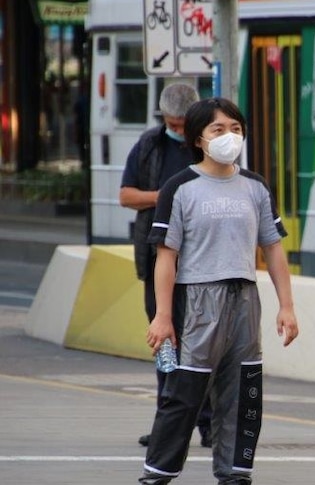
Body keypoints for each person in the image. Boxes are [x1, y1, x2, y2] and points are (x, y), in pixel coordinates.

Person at [138, 97, 299, 485]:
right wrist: (163, 316)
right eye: (218, 129)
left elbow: (272, 249)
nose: (229, 136)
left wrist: (287, 307)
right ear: (198, 139)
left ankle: (235, 474)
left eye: (236, 128)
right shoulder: (180, 188)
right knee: (185, 394)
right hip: (196, 302)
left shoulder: (255, 186)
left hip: (245, 298)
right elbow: (166, 257)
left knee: (243, 393)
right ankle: (157, 475)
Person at [119, 82, 213, 449]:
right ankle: (168, 423)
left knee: (202, 347)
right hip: (157, 259)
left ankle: (207, 424)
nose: (176, 129)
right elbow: (126, 195)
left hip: (202, 264)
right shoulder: (148, 145)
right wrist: (164, 196)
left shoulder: (208, 145)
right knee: (166, 344)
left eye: (181, 123)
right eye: (171, 123)